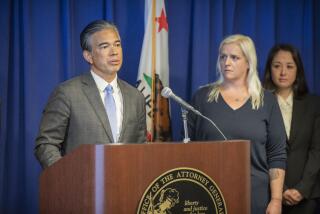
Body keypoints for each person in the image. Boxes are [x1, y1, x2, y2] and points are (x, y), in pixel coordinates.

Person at [187, 34, 287, 213]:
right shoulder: (202, 98)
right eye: (223, 56)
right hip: (207, 194)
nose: (227, 62)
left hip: (254, 197)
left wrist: (277, 199)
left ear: (249, 62)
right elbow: (188, 150)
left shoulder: (267, 101)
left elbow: (277, 154)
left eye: (234, 57)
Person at [35, 20, 147, 169]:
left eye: (117, 44)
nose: (114, 52)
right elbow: (46, 144)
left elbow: (140, 148)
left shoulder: (136, 97)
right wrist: (65, 176)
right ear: (88, 56)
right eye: (104, 46)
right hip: (81, 187)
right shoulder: (67, 93)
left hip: (126, 187)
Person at [263, 44, 320, 214]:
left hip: (306, 194)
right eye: (277, 66)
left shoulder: (314, 104)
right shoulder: (259, 104)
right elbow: (258, 151)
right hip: (268, 194)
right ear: (269, 69)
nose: (283, 72)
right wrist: (280, 190)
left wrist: (302, 189)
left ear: (298, 70)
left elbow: (317, 150)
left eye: (289, 66)